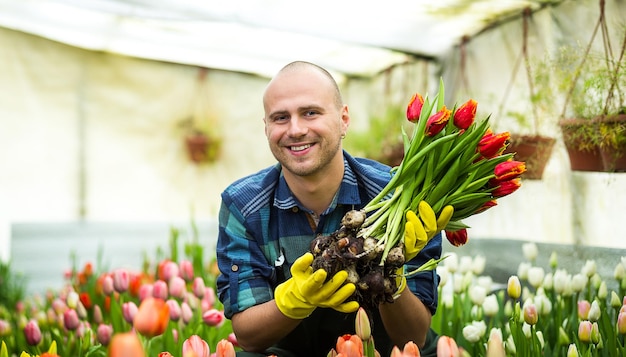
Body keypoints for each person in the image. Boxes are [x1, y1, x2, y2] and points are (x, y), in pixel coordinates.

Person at [216, 61, 450, 357]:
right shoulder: (243, 204)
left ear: (344, 119)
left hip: (382, 350)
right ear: (266, 128)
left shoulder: (398, 195)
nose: (296, 130)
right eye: (280, 118)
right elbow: (249, 337)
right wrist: (295, 298)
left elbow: (412, 337)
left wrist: (391, 272)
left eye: (310, 112)